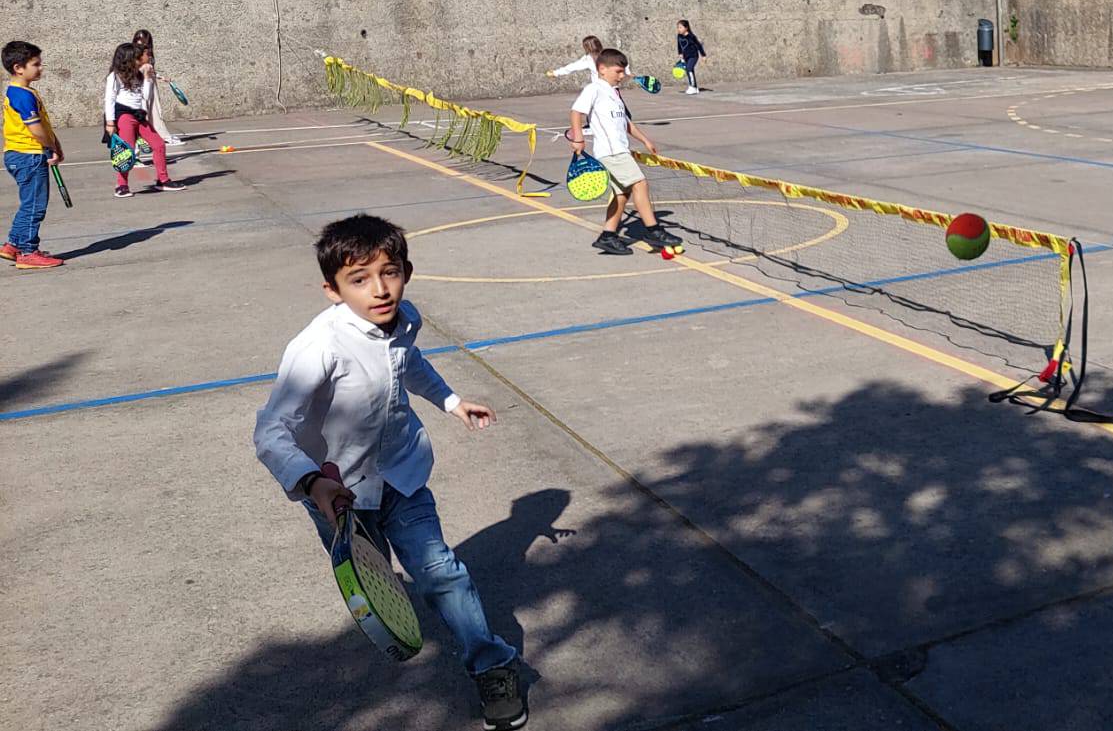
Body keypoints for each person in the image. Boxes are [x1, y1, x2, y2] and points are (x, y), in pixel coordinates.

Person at [253, 214, 528, 729]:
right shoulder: (317, 347)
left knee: (441, 572)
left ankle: (491, 664)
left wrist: (451, 402)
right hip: (338, 493)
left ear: (406, 272)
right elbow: (270, 431)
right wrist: (312, 482)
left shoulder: (405, 319)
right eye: (359, 279)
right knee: (376, 578)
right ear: (333, 290)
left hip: (402, 475)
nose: (380, 290)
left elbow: (409, 363)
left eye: (390, 272)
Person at [569, 49, 685, 255]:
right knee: (640, 183)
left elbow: (626, 123)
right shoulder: (594, 89)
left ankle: (608, 236)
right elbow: (576, 111)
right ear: (602, 69)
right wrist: (578, 138)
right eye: (618, 71)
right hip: (611, 152)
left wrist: (645, 140)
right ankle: (653, 231)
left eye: (623, 71)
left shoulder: (614, 93)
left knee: (622, 193)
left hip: (620, 149)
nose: (622, 76)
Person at [3, 40, 64, 270]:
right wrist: (51, 147)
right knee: (35, 205)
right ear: (18, 68)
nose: (40, 68)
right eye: (36, 64)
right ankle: (28, 251)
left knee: (29, 202)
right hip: (28, 155)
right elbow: (36, 129)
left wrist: (56, 144)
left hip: (21, 154)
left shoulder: (22, 91)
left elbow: (43, 125)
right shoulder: (22, 95)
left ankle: (13, 245)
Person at [104, 42, 186, 197]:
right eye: (137, 57)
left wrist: (147, 78)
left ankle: (163, 180)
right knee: (126, 151)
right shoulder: (114, 76)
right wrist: (110, 122)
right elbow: (109, 99)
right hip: (124, 115)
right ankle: (121, 185)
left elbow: (146, 97)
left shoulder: (139, 74)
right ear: (128, 59)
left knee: (159, 144)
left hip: (139, 115)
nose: (141, 59)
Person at [132, 28, 186, 147]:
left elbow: (151, 71)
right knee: (146, 110)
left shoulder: (148, 53)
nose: (140, 41)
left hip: (151, 84)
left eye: (142, 39)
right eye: (138, 38)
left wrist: (161, 77)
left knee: (155, 110)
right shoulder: (134, 53)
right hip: (142, 85)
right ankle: (154, 137)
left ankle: (157, 136)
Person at [674, 19, 707, 94]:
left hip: (693, 56)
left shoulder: (691, 36)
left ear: (686, 28)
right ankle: (694, 87)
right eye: (678, 27)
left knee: (689, 69)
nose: (678, 29)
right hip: (686, 57)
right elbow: (679, 45)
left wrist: (703, 55)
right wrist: (680, 53)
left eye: (680, 27)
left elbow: (699, 45)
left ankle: (693, 87)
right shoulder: (679, 36)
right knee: (690, 70)